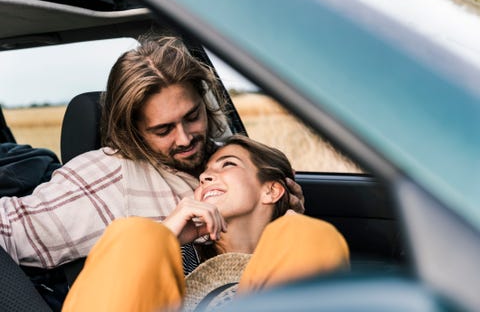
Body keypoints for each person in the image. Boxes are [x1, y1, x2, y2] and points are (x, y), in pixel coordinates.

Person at [0, 36, 304, 302]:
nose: (185, 138)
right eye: (163, 130)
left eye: (192, 116)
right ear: (134, 130)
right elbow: (7, 231)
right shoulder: (104, 176)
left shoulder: (219, 154)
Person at [62, 135, 350, 312]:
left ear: (271, 190)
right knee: (133, 234)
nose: (206, 177)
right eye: (204, 173)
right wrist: (168, 233)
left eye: (228, 164)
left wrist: (293, 223)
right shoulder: (177, 257)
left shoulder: (302, 245)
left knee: (309, 235)